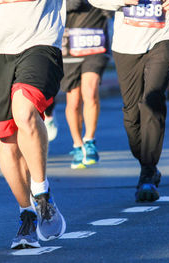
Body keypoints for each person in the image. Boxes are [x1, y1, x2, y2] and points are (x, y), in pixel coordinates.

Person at [0, 0, 67, 249]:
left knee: (24, 112)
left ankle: (41, 191)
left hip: (39, 39)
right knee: (8, 140)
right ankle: (27, 213)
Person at [90, 0, 169, 202]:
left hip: (164, 36)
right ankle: (148, 165)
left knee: (152, 99)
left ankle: (147, 172)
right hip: (127, 45)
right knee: (132, 114)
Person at [60, 0, 110, 169]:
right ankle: (77, 145)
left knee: (90, 91)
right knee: (73, 102)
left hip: (95, 42)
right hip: (69, 46)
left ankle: (89, 140)